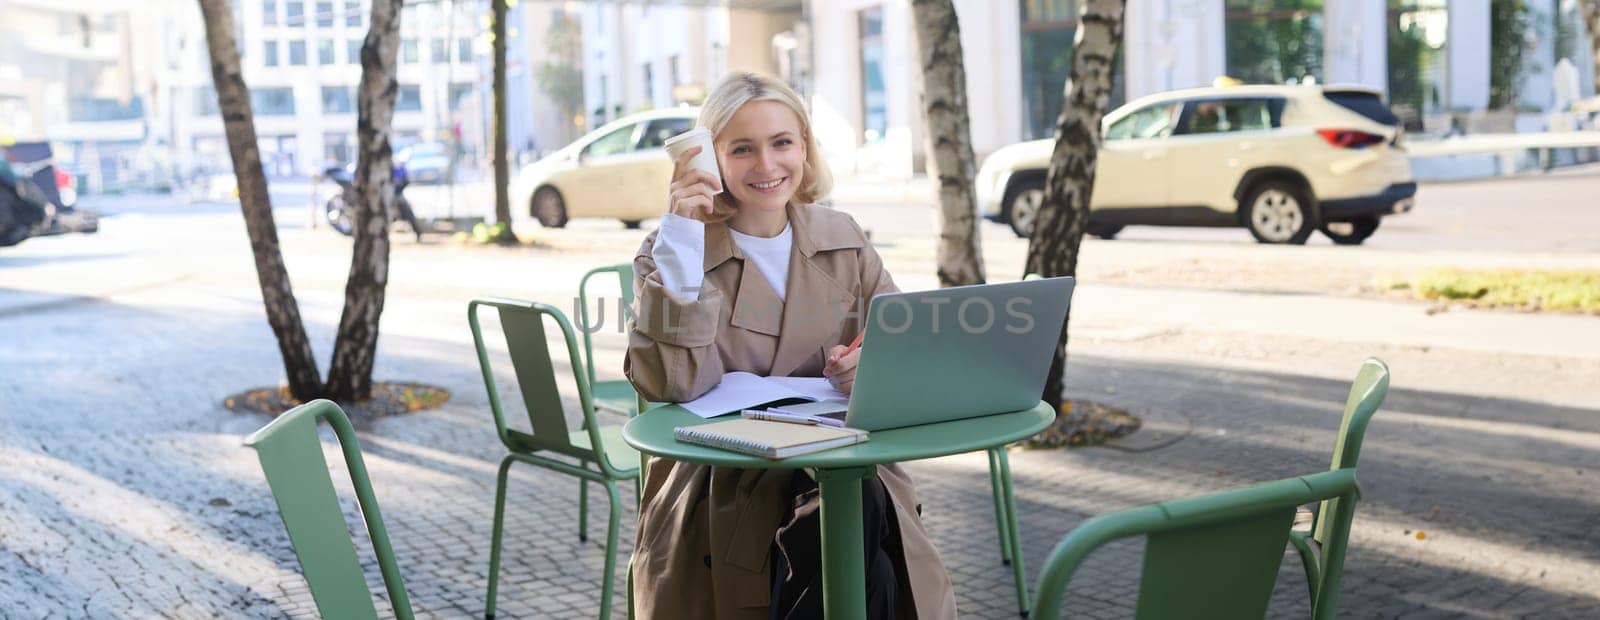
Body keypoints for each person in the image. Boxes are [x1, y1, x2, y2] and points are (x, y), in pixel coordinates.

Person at [624, 72, 956, 619]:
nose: (767, 164)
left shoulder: (843, 238)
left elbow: (904, 347)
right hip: (723, 477)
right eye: (742, 149)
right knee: (839, 535)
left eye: (782, 142)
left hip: (849, 462)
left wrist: (869, 368)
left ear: (804, 147)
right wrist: (683, 234)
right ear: (710, 159)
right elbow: (674, 382)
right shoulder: (673, 250)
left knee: (854, 515)